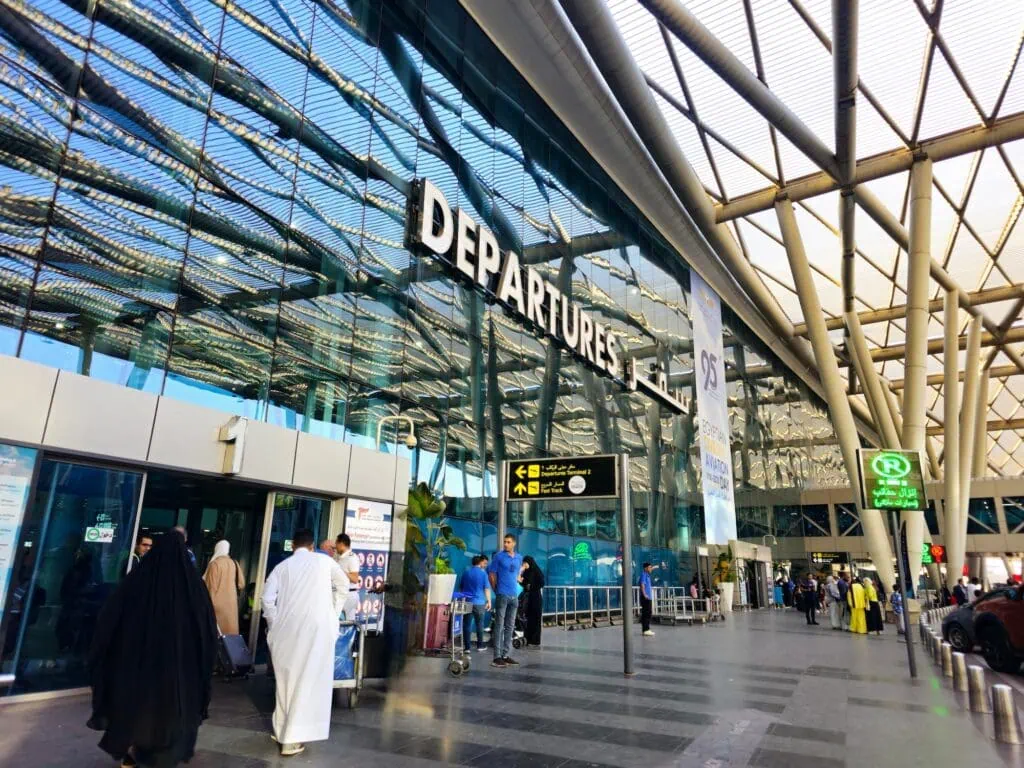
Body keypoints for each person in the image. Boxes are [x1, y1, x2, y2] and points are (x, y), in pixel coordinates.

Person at [87, 533, 217, 768]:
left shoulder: (137, 581)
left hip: (137, 663)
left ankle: (132, 748)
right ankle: (163, 750)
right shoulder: (193, 588)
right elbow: (206, 629)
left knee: (136, 706)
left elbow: (110, 619)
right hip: (179, 669)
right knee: (171, 710)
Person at [261, 528, 347, 757]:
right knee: (308, 679)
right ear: (311, 546)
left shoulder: (281, 567)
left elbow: (267, 599)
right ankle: (292, 737)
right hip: (317, 630)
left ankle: (282, 730)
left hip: (286, 630)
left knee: (286, 680)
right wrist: (333, 612)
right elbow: (344, 585)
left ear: (293, 546)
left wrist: (275, 621)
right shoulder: (324, 561)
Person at [488, 534, 524, 668]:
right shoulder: (499, 556)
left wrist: (518, 579)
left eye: (508, 542)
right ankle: (496, 657)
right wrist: (496, 590)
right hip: (502, 594)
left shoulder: (519, 557)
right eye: (504, 542)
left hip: (514, 596)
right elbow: (492, 574)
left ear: (514, 543)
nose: (505, 544)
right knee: (499, 625)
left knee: (510, 626)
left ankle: (505, 655)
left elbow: (516, 574)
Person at [202, 540, 245, 636]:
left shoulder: (214, 564)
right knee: (229, 639)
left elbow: (210, 588)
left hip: (216, 607)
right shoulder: (235, 563)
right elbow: (241, 584)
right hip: (231, 607)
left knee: (215, 637)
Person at [458, 556, 490, 652]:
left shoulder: (466, 573)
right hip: (479, 602)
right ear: (480, 562)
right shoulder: (483, 573)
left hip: (467, 601)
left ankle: (467, 647)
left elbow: (461, 587)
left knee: (466, 624)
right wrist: (489, 601)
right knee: (479, 624)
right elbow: (486, 588)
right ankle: (480, 646)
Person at [334, 534, 361, 620]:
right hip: (341, 593)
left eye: (336, 543)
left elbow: (355, 579)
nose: (335, 546)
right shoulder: (340, 557)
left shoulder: (351, 558)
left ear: (341, 544)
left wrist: (341, 572)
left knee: (347, 623)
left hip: (348, 595)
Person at [522, 555, 545, 647]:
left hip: (535, 597)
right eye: (523, 563)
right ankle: (527, 638)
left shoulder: (536, 571)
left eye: (525, 563)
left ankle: (535, 640)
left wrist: (531, 587)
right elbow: (522, 582)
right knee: (527, 618)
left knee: (535, 618)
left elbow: (541, 583)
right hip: (527, 597)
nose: (524, 565)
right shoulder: (525, 572)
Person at [639, 562, 655, 636]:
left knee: (648, 613)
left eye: (651, 567)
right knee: (646, 613)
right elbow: (642, 585)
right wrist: (644, 594)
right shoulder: (644, 575)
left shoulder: (647, 575)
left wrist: (655, 567)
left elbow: (652, 568)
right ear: (645, 568)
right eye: (649, 567)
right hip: (645, 597)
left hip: (648, 597)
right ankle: (646, 630)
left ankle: (647, 629)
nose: (651, 568)